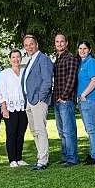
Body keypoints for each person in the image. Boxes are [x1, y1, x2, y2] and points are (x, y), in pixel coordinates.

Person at [21, 35, 54, 170]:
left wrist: (41, 97)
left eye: (31, 44)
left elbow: (47, 80)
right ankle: (40, 156)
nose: (29, 47)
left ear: (37, 44)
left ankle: (43, 160)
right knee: (34, 130)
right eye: (26, 45)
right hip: (29, 101)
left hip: (38, 101)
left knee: (40, 130)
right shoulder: (30, 60)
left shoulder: (43, 59)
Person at [0, 49, 29, 167]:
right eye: (13, 57)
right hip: (10, 108)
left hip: (23, 108)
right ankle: (12, 160)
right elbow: (1, 91)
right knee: (11, 133)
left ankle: (19, 158)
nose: (16, 59)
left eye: (18, 57)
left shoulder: (25, 72)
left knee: (21, 133)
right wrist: (3, 107)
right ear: (10, 59)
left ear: (21, 58)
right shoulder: (4, 73)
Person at [53, 33, 79, 167]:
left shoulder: (71, 58)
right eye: (57, 42)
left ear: (66, 42)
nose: (59, 44)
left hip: (65, 100)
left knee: (69, 131)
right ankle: (65, 156)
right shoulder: (57, 59)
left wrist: (63, 96)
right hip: (56, 100)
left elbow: (71, 79)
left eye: (62, 41)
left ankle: (72, 158)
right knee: (61, 130)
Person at [77, 40, 95, 165]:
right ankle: (93, 153)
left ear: (90, 50)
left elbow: (94, 80)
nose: (82, 51)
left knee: (92, 129)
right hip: (83, 100)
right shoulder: (82, 63)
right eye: (80, 48)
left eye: (85, 48)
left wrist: (83, 94)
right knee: (89, 128)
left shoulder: (91, 62)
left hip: (89, 99)